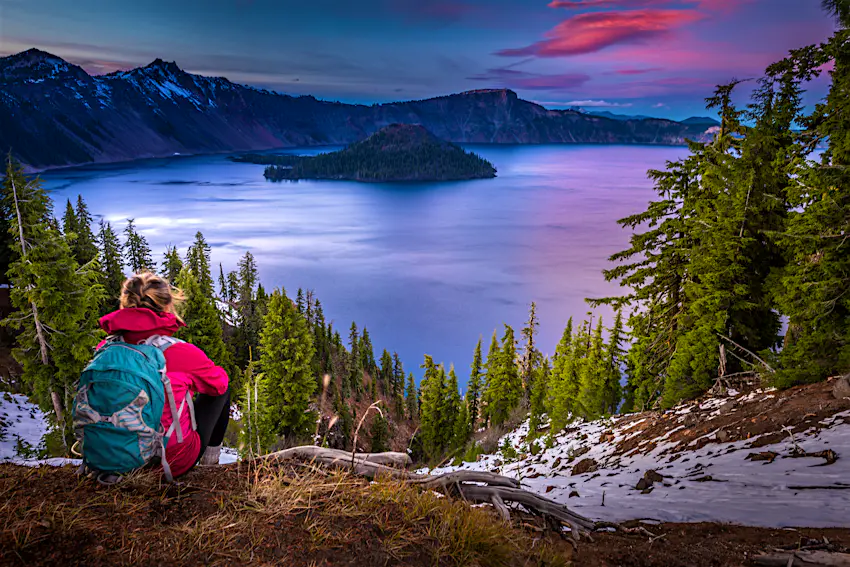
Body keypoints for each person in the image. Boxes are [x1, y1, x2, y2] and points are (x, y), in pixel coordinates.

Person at [97, 272, 230, 477]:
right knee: (222, 390)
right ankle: (210, 466)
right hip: (168, 462)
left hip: (109, 456)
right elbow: (219, 384)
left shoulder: (105, 349)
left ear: (124, 306)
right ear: (168, 307)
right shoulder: (178, 351)